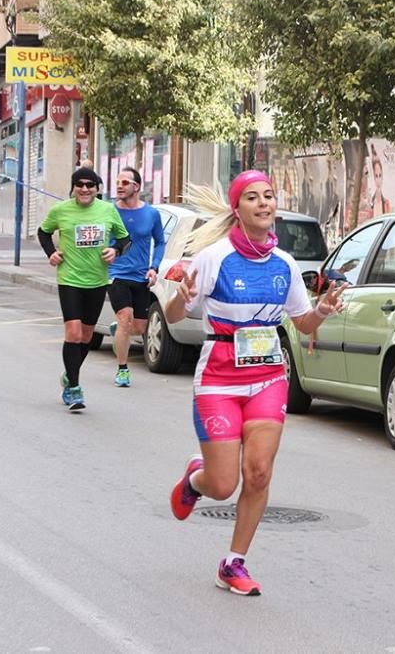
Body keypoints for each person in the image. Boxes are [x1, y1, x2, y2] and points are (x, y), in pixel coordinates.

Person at [165, 170, 346, 596]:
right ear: (237, 209)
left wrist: (322, 310)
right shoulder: (213, 258)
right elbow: (174, 317)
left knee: (259, 473)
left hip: (267, 378)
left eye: (269, 196)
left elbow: (301, 323)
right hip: (219, 380)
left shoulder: (284, 264)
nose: (265, 203)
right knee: (223, 484)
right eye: (253, 198)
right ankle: (197, 479)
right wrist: (181, 297)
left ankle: (233, 563)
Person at [37, 167, 130, 411]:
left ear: (97, 189)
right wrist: (51, 253)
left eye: (90, 185)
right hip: (69, 279)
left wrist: (116, 250)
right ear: (74, 187)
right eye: (80, 184)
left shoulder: (108, 210)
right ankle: (74, 389)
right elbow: (43, 232)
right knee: (74, 333)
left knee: (87, 336)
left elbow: (125, 239)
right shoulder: (61, 210)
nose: (85, 189)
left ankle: (70, 373)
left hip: (97, 280)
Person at [107, 167, 165, 387]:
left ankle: (119, 332)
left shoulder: (151, 214)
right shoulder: (110, 211)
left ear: (136, 187)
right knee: (125, 318)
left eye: (124, 182)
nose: (119, 186)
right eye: (118, 182)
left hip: (141, 276)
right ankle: (122, 370)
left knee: (139, 328)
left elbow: (160, 242)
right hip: (117, 274)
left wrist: (155, 267)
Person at [369, 145, 391, 216]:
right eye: (376, 176)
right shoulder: (369, 203)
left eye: (380, 175)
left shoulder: (386, 203)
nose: (378, 180)